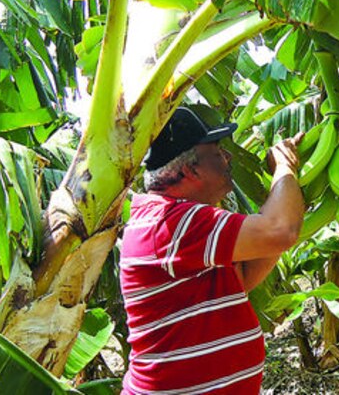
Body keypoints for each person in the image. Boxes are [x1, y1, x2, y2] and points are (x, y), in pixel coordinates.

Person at [120, 107, 305, 394]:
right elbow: (281, 231)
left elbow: (240, 280)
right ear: (190, 169)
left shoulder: (179, 220)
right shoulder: (171, 223)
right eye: (217, 151)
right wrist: (284, 169)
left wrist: (277, 226)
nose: (228, 157)